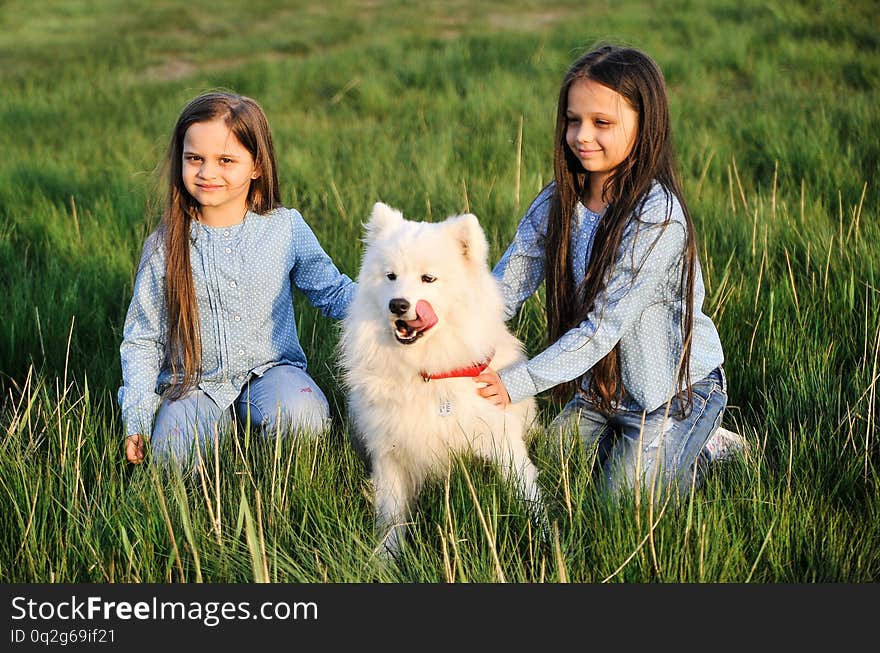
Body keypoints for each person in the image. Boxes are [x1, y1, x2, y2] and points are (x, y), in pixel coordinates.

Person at [475, 44, 746, 505]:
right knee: (553, 473)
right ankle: (631, 446)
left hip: (670, 394)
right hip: (598, 392)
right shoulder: (557, 202)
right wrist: (452, 336)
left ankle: (708, 446)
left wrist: (514, 382)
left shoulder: (658, 218)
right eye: (573, 120)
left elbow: (602, 330)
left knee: (619, 507)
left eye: (603, 123)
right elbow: (504, 288)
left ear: (645, 126)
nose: (582, 136)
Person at [119, 91, 356, 472]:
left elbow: (332, 291)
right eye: (194, 158)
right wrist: (137, 416)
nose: (207, 172)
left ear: (257, 165)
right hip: (193, 386)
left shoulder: (284, 228)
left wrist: (390, 305)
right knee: (170, 464)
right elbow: (144, 338)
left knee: (306, 420)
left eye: (226, 160)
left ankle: (258, 433)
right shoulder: (165, 244)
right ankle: (212, 428)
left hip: (271, 372)